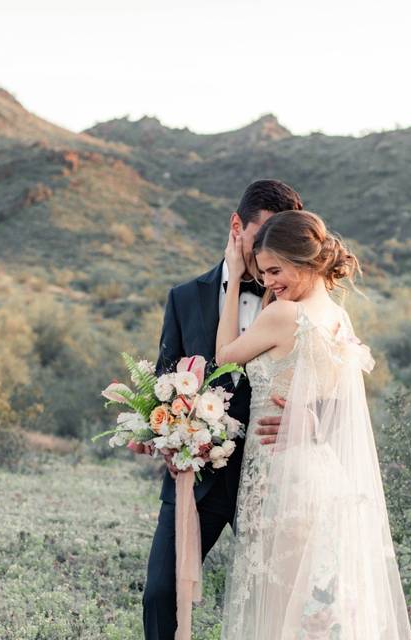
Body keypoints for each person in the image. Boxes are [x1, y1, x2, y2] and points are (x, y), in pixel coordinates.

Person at [216, 210, 411, 639]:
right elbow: (339, 403)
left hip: (281, 477)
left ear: (303, 261)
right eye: (262, 272)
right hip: (320, 473)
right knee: (309, 609)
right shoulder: (339, 319)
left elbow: (224, 356)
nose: (268, 281)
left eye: (274, 270)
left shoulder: (284, 315)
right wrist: (312, 421)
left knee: (281, 607)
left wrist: (233, 277)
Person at [139, 179, 304, 640]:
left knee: (281, 606)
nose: (271, 252)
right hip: (199, 479)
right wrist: (158, 431)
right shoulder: (185, 297)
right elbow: (164, 380)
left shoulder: (300, 302)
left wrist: (310, 419)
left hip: (274, 478)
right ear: (237, 226)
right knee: (159, 594)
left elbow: (334, 379)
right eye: (262, 236)